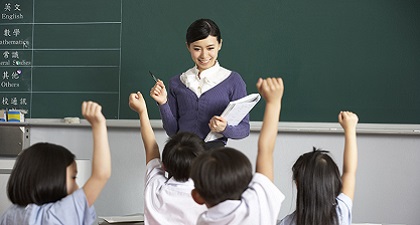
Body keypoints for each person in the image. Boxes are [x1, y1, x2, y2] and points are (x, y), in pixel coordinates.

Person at [189, 77, 285, 225]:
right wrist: (274, 102)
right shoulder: (259, 206)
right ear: (247, 183)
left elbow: (265, 150)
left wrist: (273, 103)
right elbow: (265, 150)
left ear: (196, 196)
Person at [0, 101, 111, 225]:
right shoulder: (58, 214)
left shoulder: (10, 215)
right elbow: (101, 175)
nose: (77, 187)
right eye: (73, 178)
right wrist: (98, 124)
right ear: (50, 178)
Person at [150, 18, 250, 149]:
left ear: (220, 44)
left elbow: (244, 128)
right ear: (188, 47)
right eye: (197, 49)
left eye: (210, 48)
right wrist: (163, 103)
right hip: (182, 157)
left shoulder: (233, 81)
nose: (204, 55)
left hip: (214, 158)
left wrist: (224, 128)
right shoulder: (177, 82)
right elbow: (172, 132)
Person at [129, 91, 207, 225]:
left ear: (164, 166)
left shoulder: (155, 188)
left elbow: (151, 149)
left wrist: (142, 111)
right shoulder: (207, 198)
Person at [278, 111, 359, 225]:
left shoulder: (287, 223)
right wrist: (350, 129)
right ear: (334, 182)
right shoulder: (341, 213)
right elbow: (349, 172)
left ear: (297, 183)